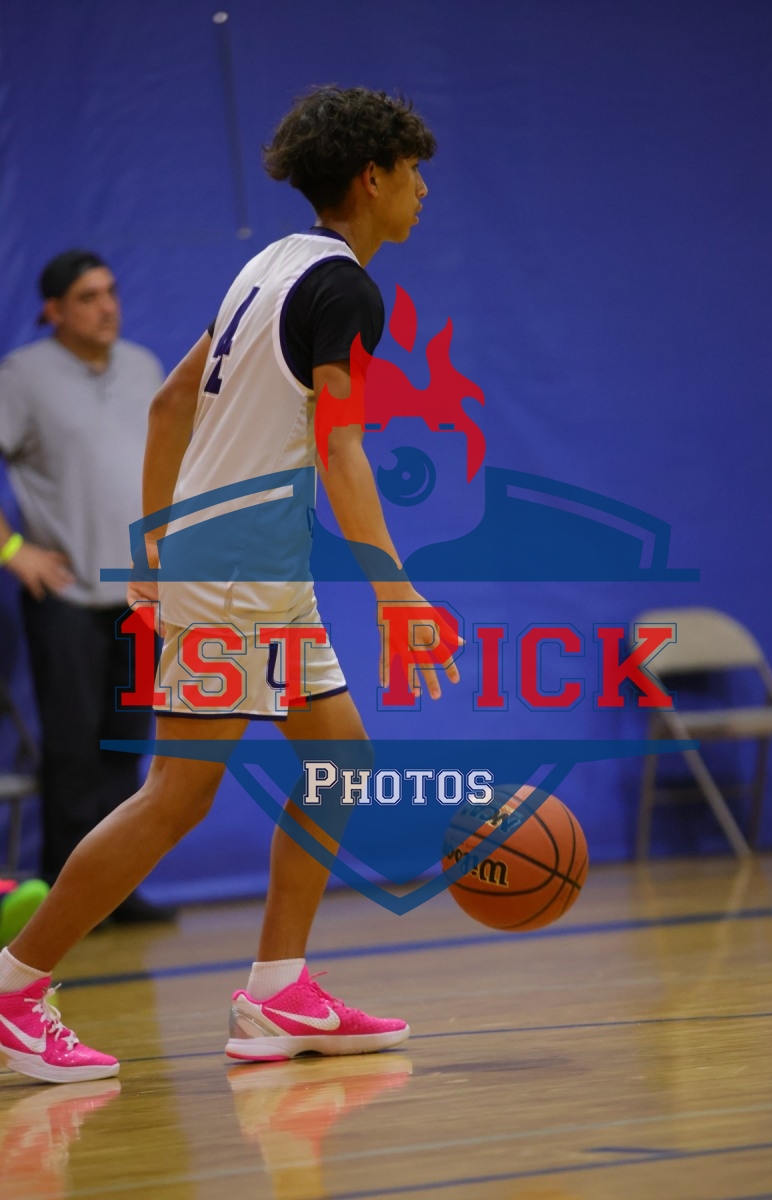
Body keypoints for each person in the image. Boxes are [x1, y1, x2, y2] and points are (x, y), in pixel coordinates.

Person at [0, 86, 459, 1083]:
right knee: (176, 796)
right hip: (242, 571)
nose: (422, 190)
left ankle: (276, 989)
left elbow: (171, 403)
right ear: (371, 178)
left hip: (249, 567)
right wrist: (396, 595)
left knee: (339, 758)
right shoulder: (345, 291)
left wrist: (154, 542)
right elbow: (342, 452)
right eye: (413, 172)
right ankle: (14, 987)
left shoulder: (267, 267)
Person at [0, 250, 176, 925]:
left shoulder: (143, 367)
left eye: (110, 292)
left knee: (125, 750)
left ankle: (116, 892)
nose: (106, 307)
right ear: (53, 311)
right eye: (87, 297)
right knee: (73, 751)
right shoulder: (23, 377)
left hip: (139, 599)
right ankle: (66, 904)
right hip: (68, 600)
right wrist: (14, 550)